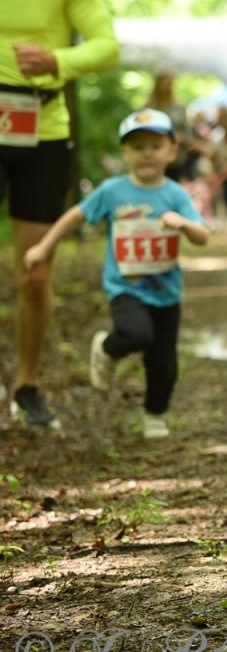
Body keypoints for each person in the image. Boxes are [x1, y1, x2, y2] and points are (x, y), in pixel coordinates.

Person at [0, 0, 120, 429]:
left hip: (40, 130)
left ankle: (26, 384)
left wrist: (58, 61)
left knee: (35, 269)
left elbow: (106, 45)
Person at [23, 109, 209, 439]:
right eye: (137, 147)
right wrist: (44, 247)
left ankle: (154, 414)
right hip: (125, 286)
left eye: (155, 145)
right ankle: (108, 349)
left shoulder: (176, 195)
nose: (147, 153)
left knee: (163, 362)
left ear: (171, 151)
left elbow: (202, 236)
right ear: (125, 153)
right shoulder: (113, 191)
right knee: (137, 334)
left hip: (167, 291)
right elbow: (75, 217)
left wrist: (183, 224)